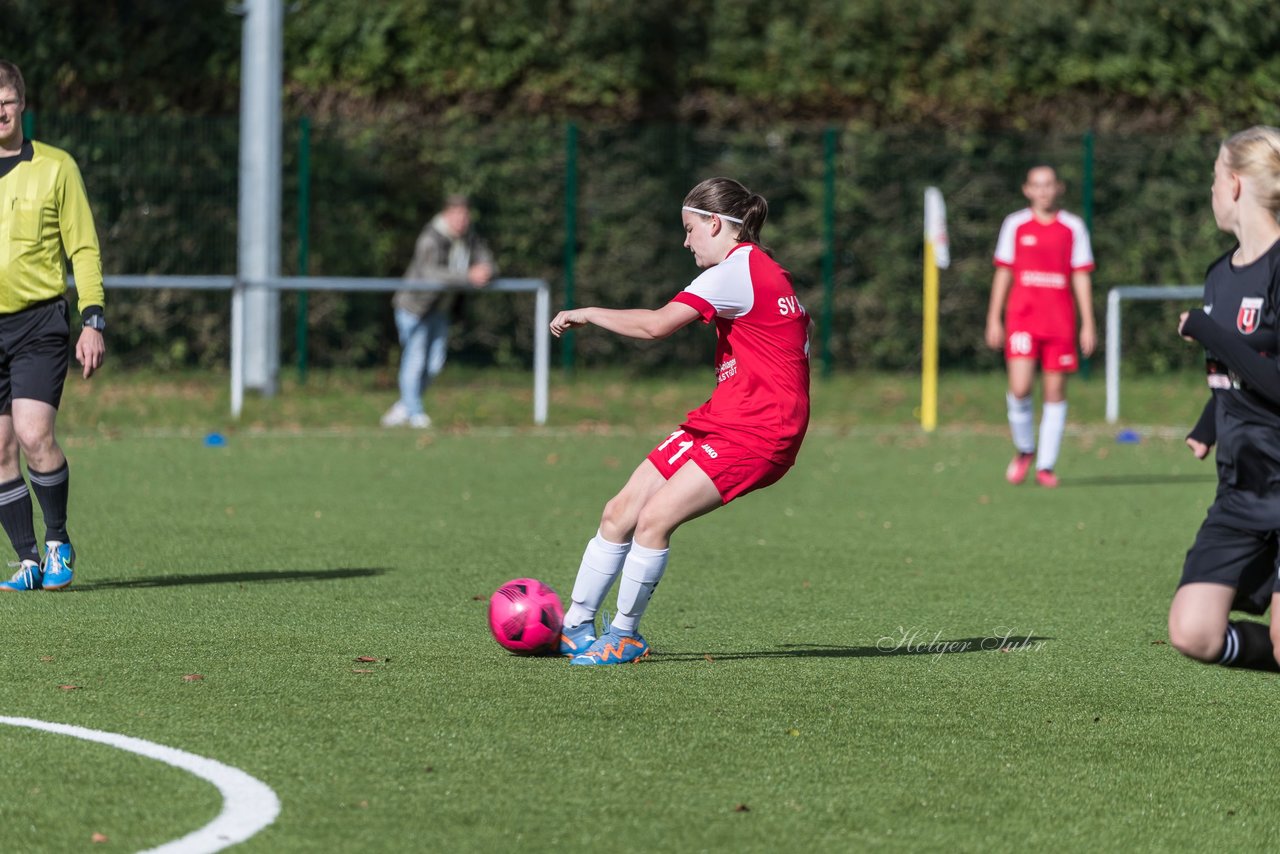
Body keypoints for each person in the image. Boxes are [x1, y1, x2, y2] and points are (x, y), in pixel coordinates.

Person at [548, 177, 811, 665]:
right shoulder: (759, 269)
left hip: (759, 432)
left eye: (690, 229)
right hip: (724, 419)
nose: (686, 241)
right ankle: (575, 626)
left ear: (716, 224)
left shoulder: (735, 270)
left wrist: (588, 312)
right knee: (619, 511)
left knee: (654, 519)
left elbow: (655, 325)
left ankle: (625, 635)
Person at [1168, 126, 1280, 673]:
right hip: (1242, 490)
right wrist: (1208, 424)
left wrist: (1210, 333)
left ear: (1234, 185)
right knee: (1193, 632)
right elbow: (1236, 373)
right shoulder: (1220, 274)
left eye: (1214, 178)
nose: (1211, 190)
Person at [0, 60, 106, 592]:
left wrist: (92, 317)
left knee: (33, 433)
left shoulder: (56, 167)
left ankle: (58, 539)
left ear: (21, 104)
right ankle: (26, 558)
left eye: (5, 100)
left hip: (39, 320)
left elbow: (82, 247)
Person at [985, 165, 1096, 488]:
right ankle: (1025, 449)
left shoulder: (1073, 227)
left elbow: (1080, 275)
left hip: (1060, 321)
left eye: (1049, 185)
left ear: (1058, 188)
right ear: (1027, 190)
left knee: (1054, 392)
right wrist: (994, 317)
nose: (1043, 190)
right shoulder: (1015, 224)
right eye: (1037, 185)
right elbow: (1004, 272)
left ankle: (1046, 465)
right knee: (1019, 388)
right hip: (1022, 318)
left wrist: (1088, 323)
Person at [381, 194, 495, 429]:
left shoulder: (470, 237)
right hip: (414, 309)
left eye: (465, 215)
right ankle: (415, 413)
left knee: (434, 364)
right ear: (446, 214)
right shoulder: (430, 238)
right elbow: (430, 273)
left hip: (439, 311)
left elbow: (488, 261)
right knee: (415, 359)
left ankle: (404, 406)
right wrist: (468, 276)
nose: (462, 221)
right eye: (457, 215)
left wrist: (486, 270)